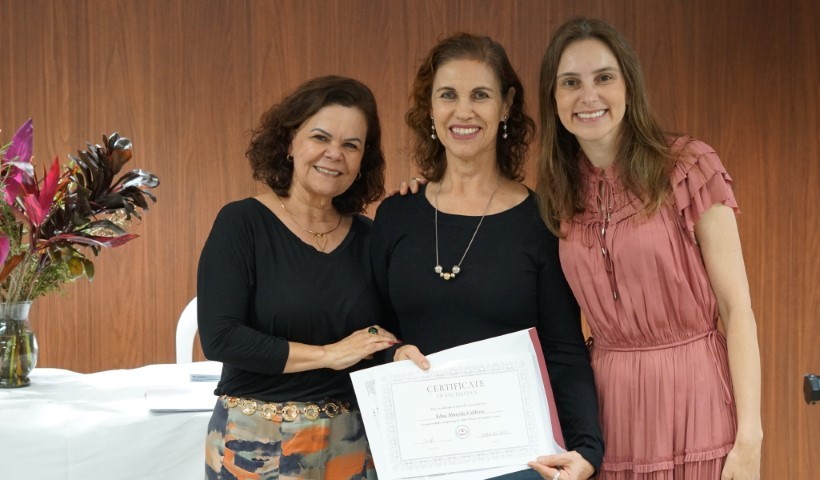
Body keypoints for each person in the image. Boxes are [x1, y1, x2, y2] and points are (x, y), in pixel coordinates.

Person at [530, 17, 762, 480]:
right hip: (611, 410)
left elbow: (737, 309)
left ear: (629, 87)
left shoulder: (689, 165)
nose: (588, 96)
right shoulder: (558, 193)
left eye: (604, 77)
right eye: (570, 83)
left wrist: (750, 438)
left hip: (697, 401)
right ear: (554, 99)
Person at [371, 33, 604, 480]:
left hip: (517, 464)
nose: (463, 111)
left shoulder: (541, 220)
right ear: (430, 108)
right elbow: (371, 330)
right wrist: (392, 355)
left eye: (480, 95)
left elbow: (563, 349)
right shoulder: (396, 215)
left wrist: (587, 449)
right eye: (448, 95)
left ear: (506, 105)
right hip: (417, 460)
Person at [197, 75, 398, 480]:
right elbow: (220, 337)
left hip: (352, 444)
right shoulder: (242, 222)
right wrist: (328, 355)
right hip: (254, 444)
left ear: (363, 161)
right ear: (289, 143)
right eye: (320, 137)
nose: (334, 154)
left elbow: (382, 335)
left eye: (351, 145)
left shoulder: (371, 237)